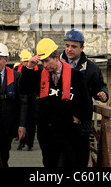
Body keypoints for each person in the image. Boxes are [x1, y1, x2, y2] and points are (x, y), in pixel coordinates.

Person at [20, 38, 92, 167]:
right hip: (47, 132)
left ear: (56, 58)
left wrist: (79, 119)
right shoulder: (39, 76)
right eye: (42, 62)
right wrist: (29, 67)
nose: (45, 65)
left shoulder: (75, 76)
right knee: (49, 164)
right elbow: (24, 89)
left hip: (69, 131)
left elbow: (85, 102)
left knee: (68, 163)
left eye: (47, 61)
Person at [61, 28, 109, 165]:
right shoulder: (57, 66)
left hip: (82, 125)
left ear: (82, 48)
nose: (69, 49)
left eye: (74, 46)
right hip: (60, 124)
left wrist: (103, 94)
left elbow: (100, 86)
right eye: (67, 45)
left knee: (80, 161)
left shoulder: (92, 69)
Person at [14, 49, 37, 151]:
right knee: (21, 121)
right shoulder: (16, 69)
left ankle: (29, 143)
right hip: (21, 99)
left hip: (32, 100)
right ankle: (21, 142)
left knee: (31, 122)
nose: (26, 63)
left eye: (28, 61)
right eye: (25, 61)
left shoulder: (35, 70)